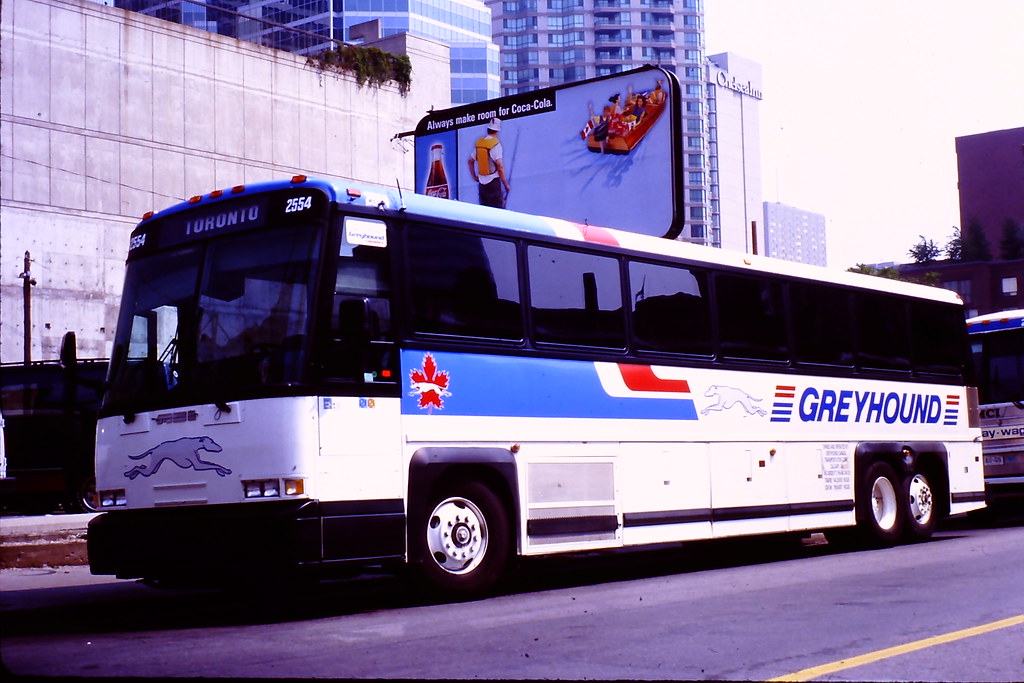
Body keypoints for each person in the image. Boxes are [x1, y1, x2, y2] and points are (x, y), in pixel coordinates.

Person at [467, 118, 511, 208]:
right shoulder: (496, 145)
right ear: (497, 131)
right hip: (493, 184)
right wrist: (505, 184)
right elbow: (500, 166)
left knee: (484, 211)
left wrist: (474, 176)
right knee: (497, 211)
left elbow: (470, 161)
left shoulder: (480, 144)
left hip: (482, 184)